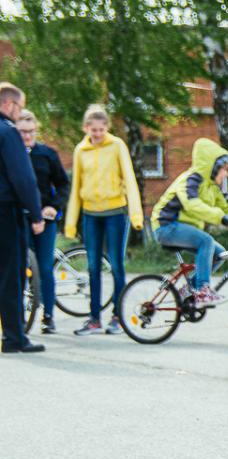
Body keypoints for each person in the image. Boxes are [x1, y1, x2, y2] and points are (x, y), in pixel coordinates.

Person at [63, 104, 144, 336]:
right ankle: (94, 319)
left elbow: (130, 179)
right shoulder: (81, 150)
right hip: (91, 215)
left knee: (116, 264)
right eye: (93, 130)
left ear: (107, 127)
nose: (97, 134)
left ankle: (118, 317)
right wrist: (71, 223)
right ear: (86, 128)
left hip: (115, 213)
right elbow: (76, 187)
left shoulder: (117, 146)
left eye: (101, 129)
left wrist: (136, 215)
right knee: (93, 267)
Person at [151, 138, 228, 305]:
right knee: (206, 241)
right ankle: (202, 290)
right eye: (225, 169)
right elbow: (192, 204)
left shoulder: (212, 188)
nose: (227, 174)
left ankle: (189, 290)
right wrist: (221, 218)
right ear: (213, 166)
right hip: (166, 226)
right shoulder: (191, 179)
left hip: (182, 228)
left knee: (219, 254)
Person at [0, 83, 46, 354]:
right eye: (19, 108)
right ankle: (14, 338)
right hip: (5, 211)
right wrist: (36, 212)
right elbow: (23, 177)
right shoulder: (8, 132)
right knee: (10, 275)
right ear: (9, 104)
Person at [16, 109, 69, 334]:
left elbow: (63, 184)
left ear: (36, 130)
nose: (27, 136)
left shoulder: (47, 154)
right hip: (19, 218)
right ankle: (18, 317)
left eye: (31, 131)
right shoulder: (10, 154)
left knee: (45, 267)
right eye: (22, 132)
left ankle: (48, 316)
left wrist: (53, 207)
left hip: (45, 219)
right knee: (18, 267)